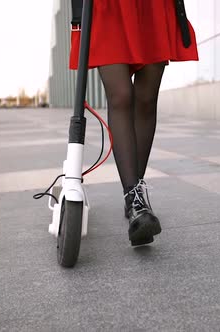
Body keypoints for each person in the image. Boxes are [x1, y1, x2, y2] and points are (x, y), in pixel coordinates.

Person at [70, 0, 198, 246]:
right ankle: (135, 200)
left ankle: (135, 200)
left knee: (147, 98)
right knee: (120, 95)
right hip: (107, 7)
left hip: (152, 6)